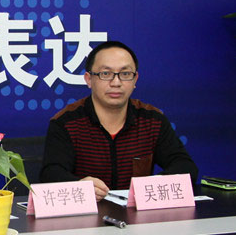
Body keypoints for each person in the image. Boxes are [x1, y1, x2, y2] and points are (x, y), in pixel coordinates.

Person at [40, 40, 198, 200]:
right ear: (88, 79)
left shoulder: (152, 120)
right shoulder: (66, 122)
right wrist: (79, 186)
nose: (116, 83)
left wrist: (155, 184)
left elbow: (185, 166)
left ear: (135, 79)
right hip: (88, 212)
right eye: (105, 74)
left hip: (137, 212)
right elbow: (51, 173)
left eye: (125, 74)